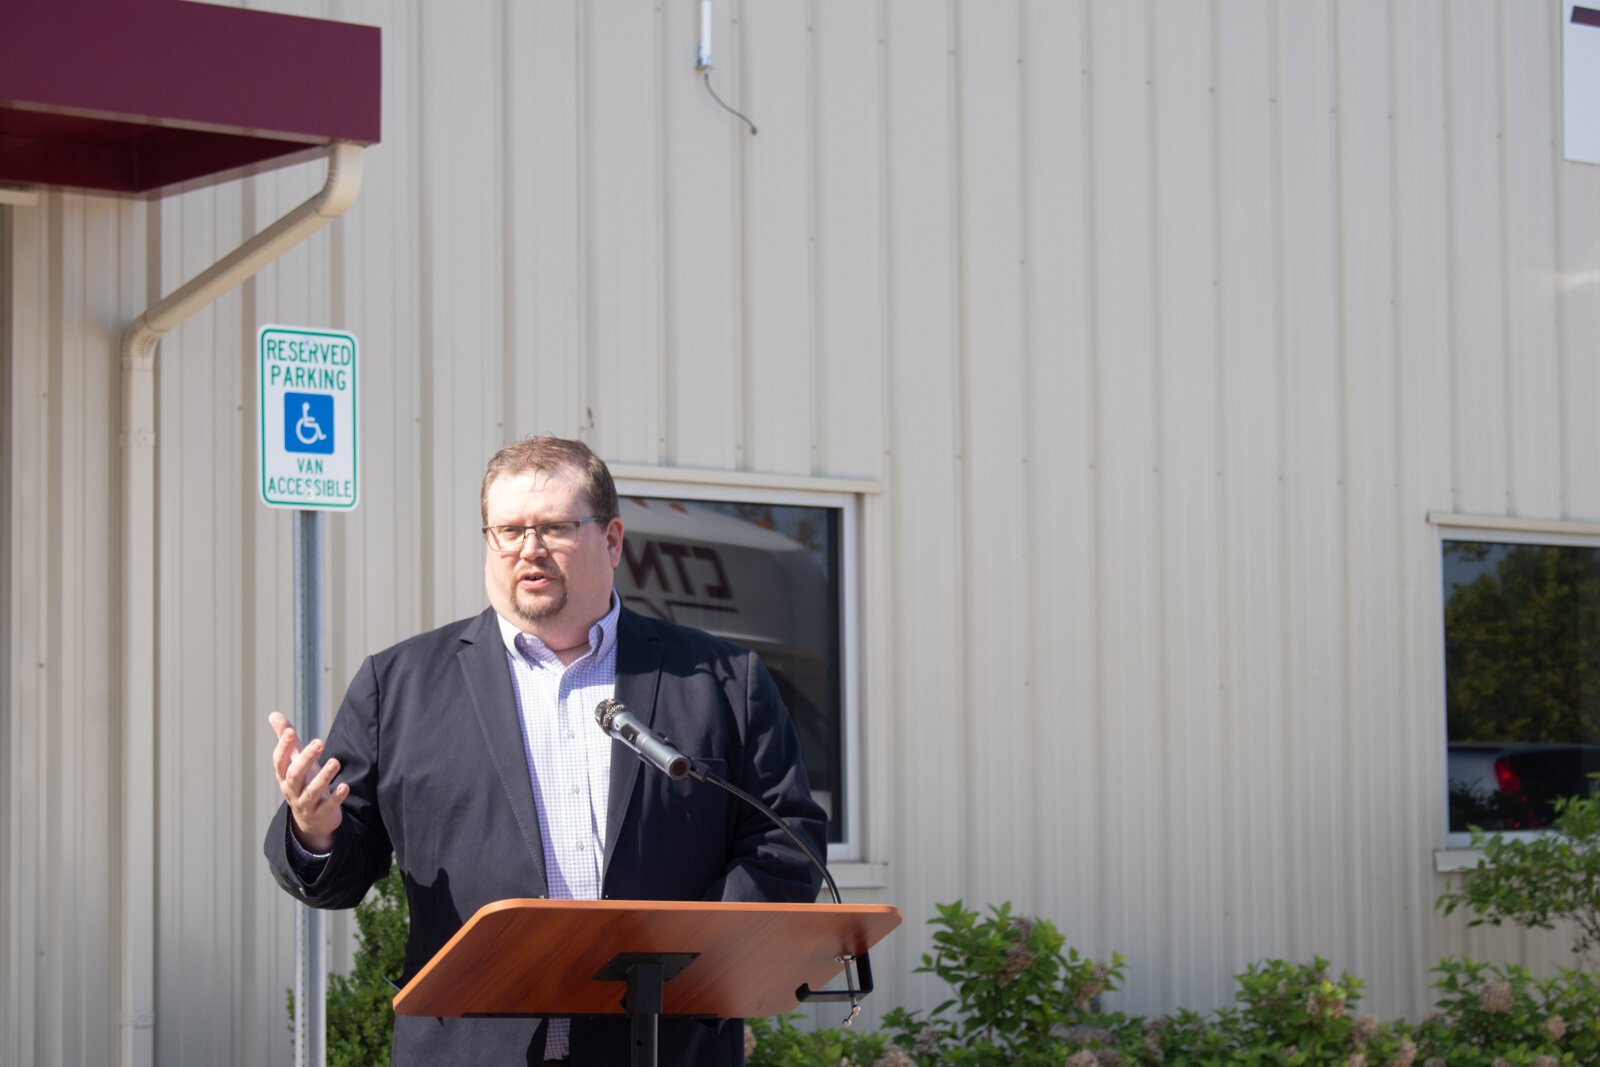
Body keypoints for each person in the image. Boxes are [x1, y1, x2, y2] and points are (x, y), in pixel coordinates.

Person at [264, 435, 827, 1065]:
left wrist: (693, 958)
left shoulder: (722, 678)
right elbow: (340, 872)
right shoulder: (399, 686)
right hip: (474, 1049)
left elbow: (786, 841)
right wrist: (316, 831)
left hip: (668, 1041)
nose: (528, 550)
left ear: (612, 540)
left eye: (555, 528)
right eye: (507, 530)